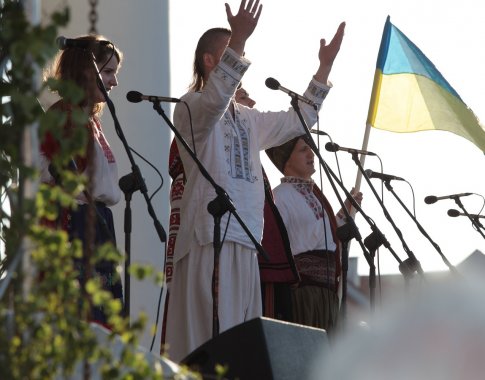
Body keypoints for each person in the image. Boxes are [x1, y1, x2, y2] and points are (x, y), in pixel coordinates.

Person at [165, 0, 345, 362]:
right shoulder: (191, 106)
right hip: (209, 239)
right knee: (209, 341)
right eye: (230, 53)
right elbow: (216, 100)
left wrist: (324, 68)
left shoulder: (249, 119)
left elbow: (299, 119)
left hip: (247, 239)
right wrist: (241, 39)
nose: (240, 62)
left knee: (241, 342)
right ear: (209, 62)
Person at [40, 35, 123, 327]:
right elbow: (57, 176)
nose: (114, 82)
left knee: (104, 314)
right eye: (109, 72)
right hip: (74, 223)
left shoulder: (90, 120)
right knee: (83, 315)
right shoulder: (65, 116)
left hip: (97, 221)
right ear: (88, 71)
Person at [266, 135, 363, 333]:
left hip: (327, 294)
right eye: (303, 150)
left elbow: (326, 237)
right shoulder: (279, 197)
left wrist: (346, 212)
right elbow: (283, 245)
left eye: (311, 148)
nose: (312, 154)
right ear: (287, 159)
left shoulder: (316, 196)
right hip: (304, 295)